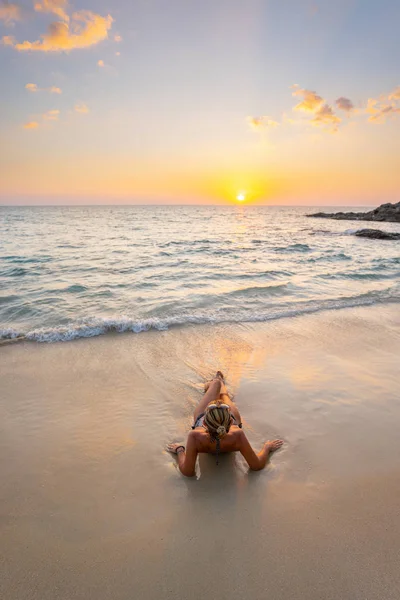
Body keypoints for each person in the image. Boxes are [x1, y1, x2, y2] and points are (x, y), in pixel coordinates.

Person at [167, 371, 283, 477]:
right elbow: (256, 466)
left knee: (216, 385)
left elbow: (188, 472)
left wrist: (180, 450)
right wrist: (267, 448)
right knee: (224, 396)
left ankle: (214, 384)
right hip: (224, 417)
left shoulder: (195, 436)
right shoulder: (237, 434)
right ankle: (219, 384)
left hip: (216, 418)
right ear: (231, 421)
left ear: (205, 424)